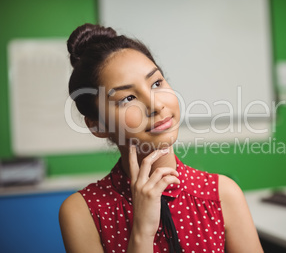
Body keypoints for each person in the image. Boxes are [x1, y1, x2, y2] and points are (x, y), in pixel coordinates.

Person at [59, 23, 263, 253]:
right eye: (127, 98)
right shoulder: (82, 212)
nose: (156, 105)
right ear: (97, 124)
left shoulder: (223, 194)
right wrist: (142, 231)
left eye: (156, 83)